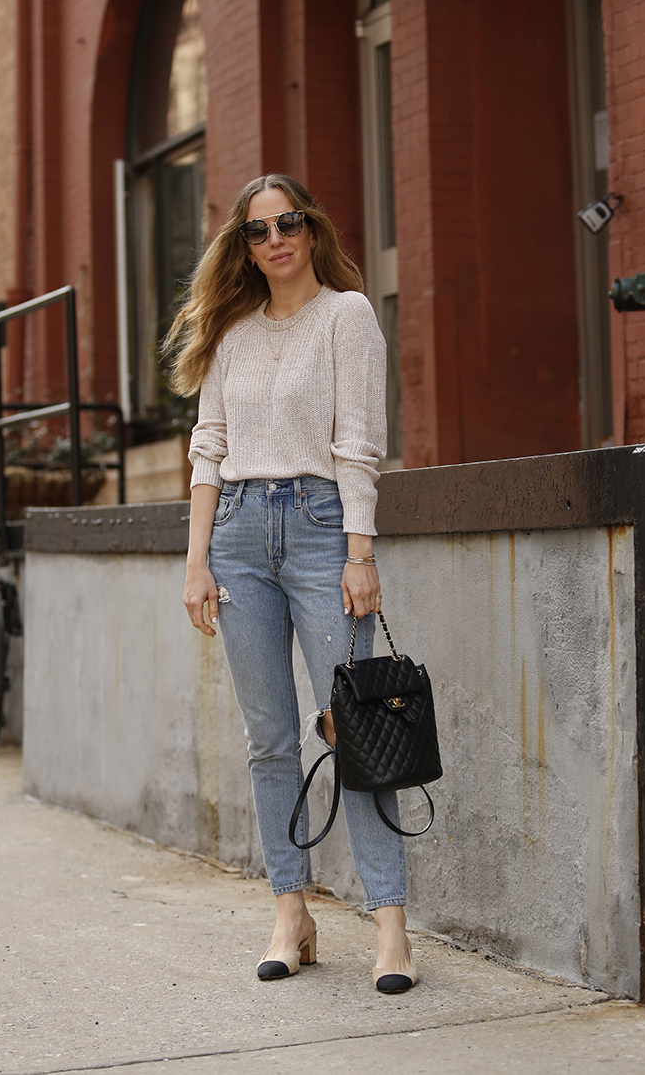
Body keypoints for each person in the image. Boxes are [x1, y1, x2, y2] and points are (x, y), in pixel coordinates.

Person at [164, 173, 417, 993]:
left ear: (311, 229)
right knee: (270, 739)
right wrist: (197, 558)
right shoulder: (231, 331)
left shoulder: (348, 316)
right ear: (243, 246)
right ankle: (291, 912)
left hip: (317, 531)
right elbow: (208, 449)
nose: (275, 240)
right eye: (257, 231)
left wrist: (360, 550)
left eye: (289, 224)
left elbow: (359, 446)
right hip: (236, 535)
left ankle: (390, 928)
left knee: (355, 725)